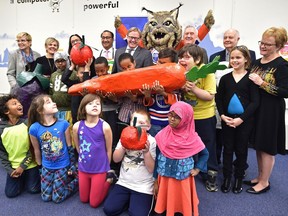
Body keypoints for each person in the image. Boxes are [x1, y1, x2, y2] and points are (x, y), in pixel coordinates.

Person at [246, 27, 288, 194]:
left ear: (278, 46)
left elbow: (286, 91)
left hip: (271, 110)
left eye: (267, 44)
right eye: (261, 42)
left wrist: (262, 83)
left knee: (267, 146)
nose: (262, 46)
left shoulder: (282, 65)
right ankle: (259, 176)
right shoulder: (256, 62)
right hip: (256, 108)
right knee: (258, 143)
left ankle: (264, 182)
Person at [215, 46, 259, 194]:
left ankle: (238, 178)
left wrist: (241, 119)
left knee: (241, 150)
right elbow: (219, 98)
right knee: (227, 149)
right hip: (227, 120)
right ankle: (227, 177)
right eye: (232, 57)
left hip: (244, 122)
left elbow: (254, 102)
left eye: (238, 57)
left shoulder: (251, 78)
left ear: (246, 59)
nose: (234, 60)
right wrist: (221, 115)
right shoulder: (225, 78)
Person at [154, 101, 209, 216]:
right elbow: (157, 158)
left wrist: (198, 169)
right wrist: (155, 179)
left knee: (181, 204)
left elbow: (205, 154)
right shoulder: (163, 134)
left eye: (177, 117)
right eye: (170, 115)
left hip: (182, 180)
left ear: (186, 119)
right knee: (165, 203)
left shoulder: (192, 137)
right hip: (165, 178)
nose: (172, 119)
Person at [179, 44, 218, 192]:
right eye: (181, 57)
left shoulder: (207, 73)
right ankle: (193, 170)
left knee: (207, 145)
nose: (183, 60)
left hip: (205, 116)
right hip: (188, 117)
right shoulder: (181, 72)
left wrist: (194, 89)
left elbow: (209, 96)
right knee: (189, 145)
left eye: (187, 57)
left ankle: (211, 175)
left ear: (198, 59)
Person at [103, 109, 156, 216]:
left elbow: (151, 169)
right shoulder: (124, 137)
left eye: (142, 123)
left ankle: (134, 202)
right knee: (109, 209)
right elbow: (116, 159)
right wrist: (123, 146)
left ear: (148, 127)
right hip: (124, 183)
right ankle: (129, 201)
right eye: (134, 122)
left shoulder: (151, 141)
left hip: (143, 187)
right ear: (130, 124)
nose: (137, 126)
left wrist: (146, 152)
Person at [28, 94, 78, 203]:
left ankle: (77, 181)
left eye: (52, 101)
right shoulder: (34, 128)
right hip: (47, 166)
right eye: (48, 102)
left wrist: (72, 165)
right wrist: (40, 168)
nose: (54, 103)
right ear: (40, 110)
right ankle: (61, 181)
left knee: (57, 198)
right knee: (46, 198)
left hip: (62, 165)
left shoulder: (63, 124)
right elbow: (36, 150)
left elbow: (69, 146)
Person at [72, 93, 113, 208]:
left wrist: (106, 169)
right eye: (90, 103)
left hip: (99, 169)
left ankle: (109, 181)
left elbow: (109, 149)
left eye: (98, 104)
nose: (95, 106)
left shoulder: (105, 126)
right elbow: (77, 145)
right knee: (83, 199)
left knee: (94, 204)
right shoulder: (77, 126)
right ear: (83, 108)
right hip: (83, 168)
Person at [0, 95, 40, 198]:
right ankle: (23, 178)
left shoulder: (28, 124)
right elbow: (2, 153)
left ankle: (31, 176)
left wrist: (22, 167)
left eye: (19, 103)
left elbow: (33, 147)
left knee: (33, 190)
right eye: (14, 104)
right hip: (14, 167)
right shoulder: (1, 129)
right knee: (11, 194)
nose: (19, 104)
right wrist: (10, 170)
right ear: (6, 111)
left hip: (30, 164)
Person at [140, 48, 179, 136]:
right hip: (153, 122)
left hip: (169, 123)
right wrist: (147, 96)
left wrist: (163, 93)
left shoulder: (176, 80)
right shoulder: (152, 77)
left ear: (173, 64)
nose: (160, 65)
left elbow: (177, 101)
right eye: (159, 62)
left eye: (163, 63)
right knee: (154, 148)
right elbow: (150, 102)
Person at [61, 58, 93, 124]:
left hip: (87, 117)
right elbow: (64, 79)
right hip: (75, 117)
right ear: (77, 74)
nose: (83, 75)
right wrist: (72, 66)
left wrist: (87, 69)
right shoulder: (74, 84)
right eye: (81, 73)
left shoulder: (91, 84)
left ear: (89, 73)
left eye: (86, 72)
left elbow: (86, 84)